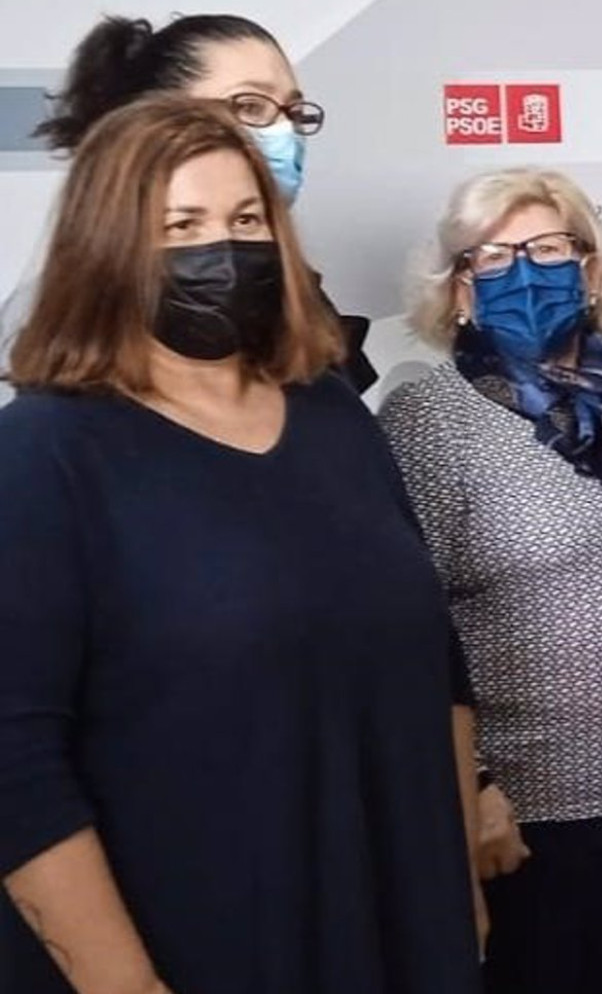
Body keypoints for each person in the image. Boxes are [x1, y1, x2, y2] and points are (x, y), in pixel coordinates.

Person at [0, 96, 481, 993]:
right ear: (105, 248)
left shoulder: (331, 413)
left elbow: (436, 662)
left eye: (246, 219)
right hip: (196, 942)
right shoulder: (43, 454)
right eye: (181, 224)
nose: (221, 250)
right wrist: (124, 985)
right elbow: (14, 762)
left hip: (395, 922)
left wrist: (455, 896)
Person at [380, 168, 602, 994]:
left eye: (550, 248)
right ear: (458, 289)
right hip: (525, 813)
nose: (525, 272)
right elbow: (403, 637)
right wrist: (474, 793)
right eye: (491, 257)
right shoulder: (430, 420)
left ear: (592, 270)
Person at [16, 13, 377, 394]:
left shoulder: (295, 288)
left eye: (293, 112)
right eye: (250, 107)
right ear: (156, 118)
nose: (282, 132)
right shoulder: (89, 311)